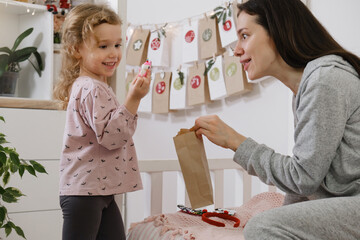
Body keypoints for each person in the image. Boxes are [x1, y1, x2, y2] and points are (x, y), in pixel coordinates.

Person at [192, 0, 360, 239]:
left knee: (262, 226)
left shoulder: (325, 80)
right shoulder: (306, 88)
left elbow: (303, 177)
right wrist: (286, 216)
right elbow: (308, 181)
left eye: (245, 36)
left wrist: (236, 142)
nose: (236, 50)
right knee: (267, 224)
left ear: (278, 30)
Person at [53, 3, 151, 240]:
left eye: (117, 45)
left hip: (98, 190)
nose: (113, 53)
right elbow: (111, 137)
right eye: (103, 46)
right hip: (86, 193)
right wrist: (133, 99)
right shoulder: (91, 88)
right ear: (77, 49)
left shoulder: (93, 86)